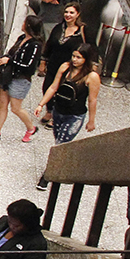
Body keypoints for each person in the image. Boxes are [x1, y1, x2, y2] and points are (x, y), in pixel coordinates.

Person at [34, 43, 101, 189]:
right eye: (74, 56)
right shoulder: (65, 67)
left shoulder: (91, 76)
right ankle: (62, 164)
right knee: (59, 141)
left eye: (79, 57)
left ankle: (47, 176)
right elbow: (54, 86)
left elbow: (92, 99)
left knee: (60, 144)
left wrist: (91, 120)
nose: (75, 60)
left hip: (75, 115)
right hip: (59, 111)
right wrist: (41, 104)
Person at [0, 15, 43, 143]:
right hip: (7, 77)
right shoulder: (22, 38)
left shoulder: (35, 45)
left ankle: (31, 128)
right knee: (2, 105)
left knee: (16, 108)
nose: (22, 23)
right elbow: (12, 53)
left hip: (21, 80)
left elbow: (29, 66)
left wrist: (10, 61)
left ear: (29, 26)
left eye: (25, 22)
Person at [38, 2, 86, 127]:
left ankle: (56, 117)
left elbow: (89, 49)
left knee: (62, 92)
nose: (68, 15)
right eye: (66, 12)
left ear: (77, 14)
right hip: (54, 64)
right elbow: (49, 45)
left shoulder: (81, 32)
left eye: (71, 12)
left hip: (69, 66)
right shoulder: (59, 28)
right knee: (47, 87)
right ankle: (49, 111)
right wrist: (43, 61)